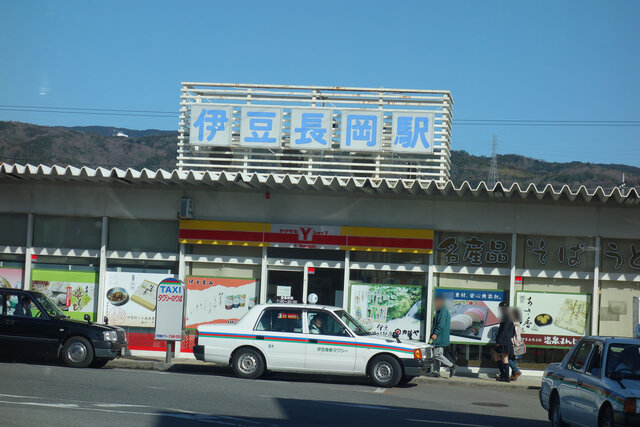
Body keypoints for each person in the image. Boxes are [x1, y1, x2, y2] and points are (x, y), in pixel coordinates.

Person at [429, 294, 457, 378]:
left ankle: (452, 366)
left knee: (437, 354)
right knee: (436, 354)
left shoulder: (443, 312)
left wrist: (435, 334)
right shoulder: (441, 311)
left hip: (439, 337)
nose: (435, 304)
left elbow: (440, 325)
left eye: (436, 302)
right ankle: (436, 371)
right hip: (439, 337)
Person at [494, 301, 515, 382]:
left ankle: (506, 377)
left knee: (504, 358)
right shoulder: (509, 316)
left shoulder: (507, 316)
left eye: (500, 308)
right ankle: (503, 374)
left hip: (504, 341)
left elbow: (504, 330)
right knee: (496, 356)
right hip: (506, 340)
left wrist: (499, 341)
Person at [508, 307, 525, 381]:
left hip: (512, 342)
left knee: (507, 358)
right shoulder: (517, 322)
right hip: (516, 343)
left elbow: (514, 335)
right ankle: (514, 375)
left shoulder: (513, 323)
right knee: (512, 358)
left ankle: (516, 371)